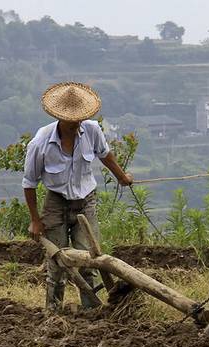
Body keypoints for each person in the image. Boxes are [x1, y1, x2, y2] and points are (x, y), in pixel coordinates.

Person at [22, 82, 133, 312]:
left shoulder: (91, 130)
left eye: (79, 119)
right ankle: (52, 313)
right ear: (59, 118)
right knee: (58, 262)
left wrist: (122, 177)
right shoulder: (41, 142)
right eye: (72, 120)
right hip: (56, 203)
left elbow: (105, 155)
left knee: (89, 260)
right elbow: (29, 183)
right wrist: (35, 220)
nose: (76, 123)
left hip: (86, 201)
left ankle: (91, 310)